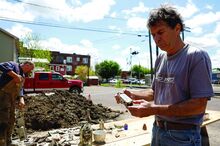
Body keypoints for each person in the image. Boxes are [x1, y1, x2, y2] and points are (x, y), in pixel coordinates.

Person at [115, 5, 214, 146]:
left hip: (183, 136)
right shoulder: (161, 58)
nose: (156, 39)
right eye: (153, 35)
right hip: (158, 130)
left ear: (177, 28)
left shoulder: (196, 56)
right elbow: (155, 92)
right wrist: (132, 95)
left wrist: (152, 109)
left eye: (160, 32)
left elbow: (198, 106)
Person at [0, 61, 34, 146]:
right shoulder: (14, 65)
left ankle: (8, 140)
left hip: (12, 98)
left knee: (12, 119)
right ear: (27, 65)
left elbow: (20, 88)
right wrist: (15, 76)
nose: (30, 72)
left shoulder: (22, 75)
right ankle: (1, 140)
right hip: (3, 95)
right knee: (4, 119)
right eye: (30, 69)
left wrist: (21, 98)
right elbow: (1, 65)